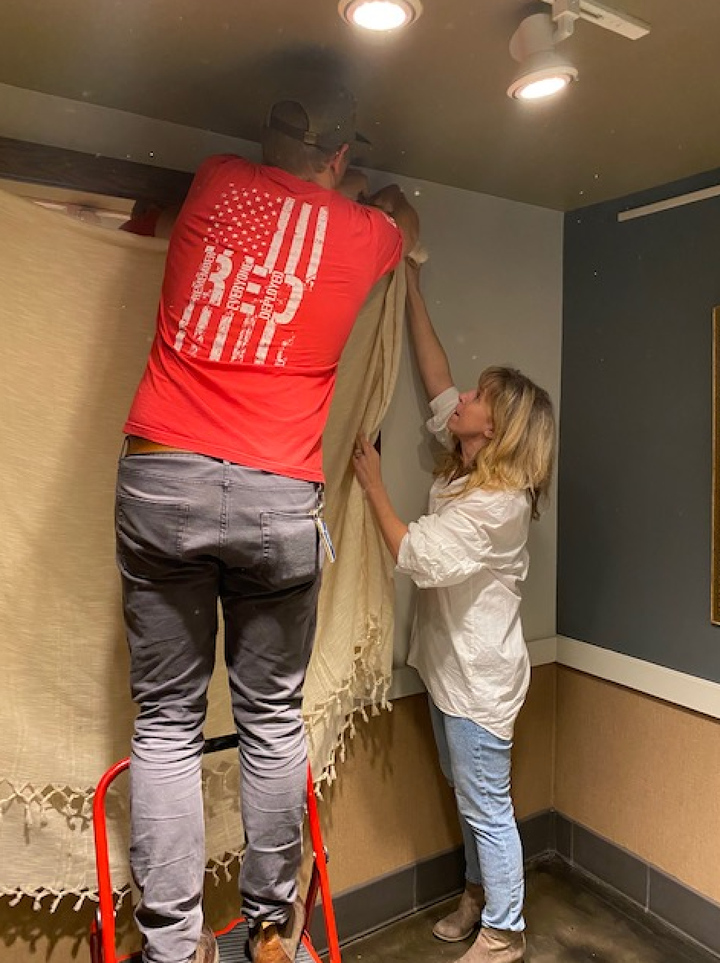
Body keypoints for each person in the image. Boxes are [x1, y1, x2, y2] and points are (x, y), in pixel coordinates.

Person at [115, 81, 419, 963]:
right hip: (277, 495)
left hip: (163, 474)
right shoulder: (364, 235)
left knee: (167, 724)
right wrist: (372, 199)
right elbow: (409, 219)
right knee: (271, 718)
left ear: (263, 144)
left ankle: (173, 948)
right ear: (339, 160)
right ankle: (272, 929)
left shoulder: (213, 181)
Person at [352, 260, 555, 963]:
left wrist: (374, 483)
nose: (461, 397)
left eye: (479, 397)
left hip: (479, 680)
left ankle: (505, 931)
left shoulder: (498, 504)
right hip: (449, 668)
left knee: (487, 805)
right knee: (468, 795)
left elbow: (417, 554)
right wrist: (409, 284)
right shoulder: (469, 469)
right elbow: (436, 375)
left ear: (497, 428)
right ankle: (479, 894)